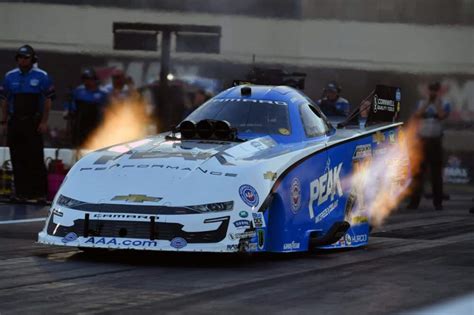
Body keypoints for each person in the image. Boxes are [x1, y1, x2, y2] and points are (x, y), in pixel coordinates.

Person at [0, 45, 55, 202]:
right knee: (17, 157)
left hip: (33, 121)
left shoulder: (42, 76)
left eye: (26, 57)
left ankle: (39, 194)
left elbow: (47, 100)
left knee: (35, 157)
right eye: (20, 57)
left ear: (33, 59)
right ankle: (21, 193)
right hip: (15, 121)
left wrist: (44, 121)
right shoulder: (10, 77)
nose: (23, 60)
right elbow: (4, 100)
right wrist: (3, 121)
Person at [407, 82, 450, 211]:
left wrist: (435, 103)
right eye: (431, 90)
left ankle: (438, 203)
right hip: (422, 141)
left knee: (436, 174)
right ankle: (414, 202)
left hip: (436, 141)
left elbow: (442, 115)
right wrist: (427, 103)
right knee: (418, 173)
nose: (433, 93)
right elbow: (417, 115)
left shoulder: (445, 103)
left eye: (435, 91)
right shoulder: (421, 103)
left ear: (439, 92)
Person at [70, 68, 108, 147]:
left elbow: (106, 107)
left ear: (95, 80)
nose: (87, 81)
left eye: (89, 79)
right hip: (81, 121)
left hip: (95, 121)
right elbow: (72, 103)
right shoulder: (79, 91)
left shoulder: (102, 92)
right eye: (85, 79)